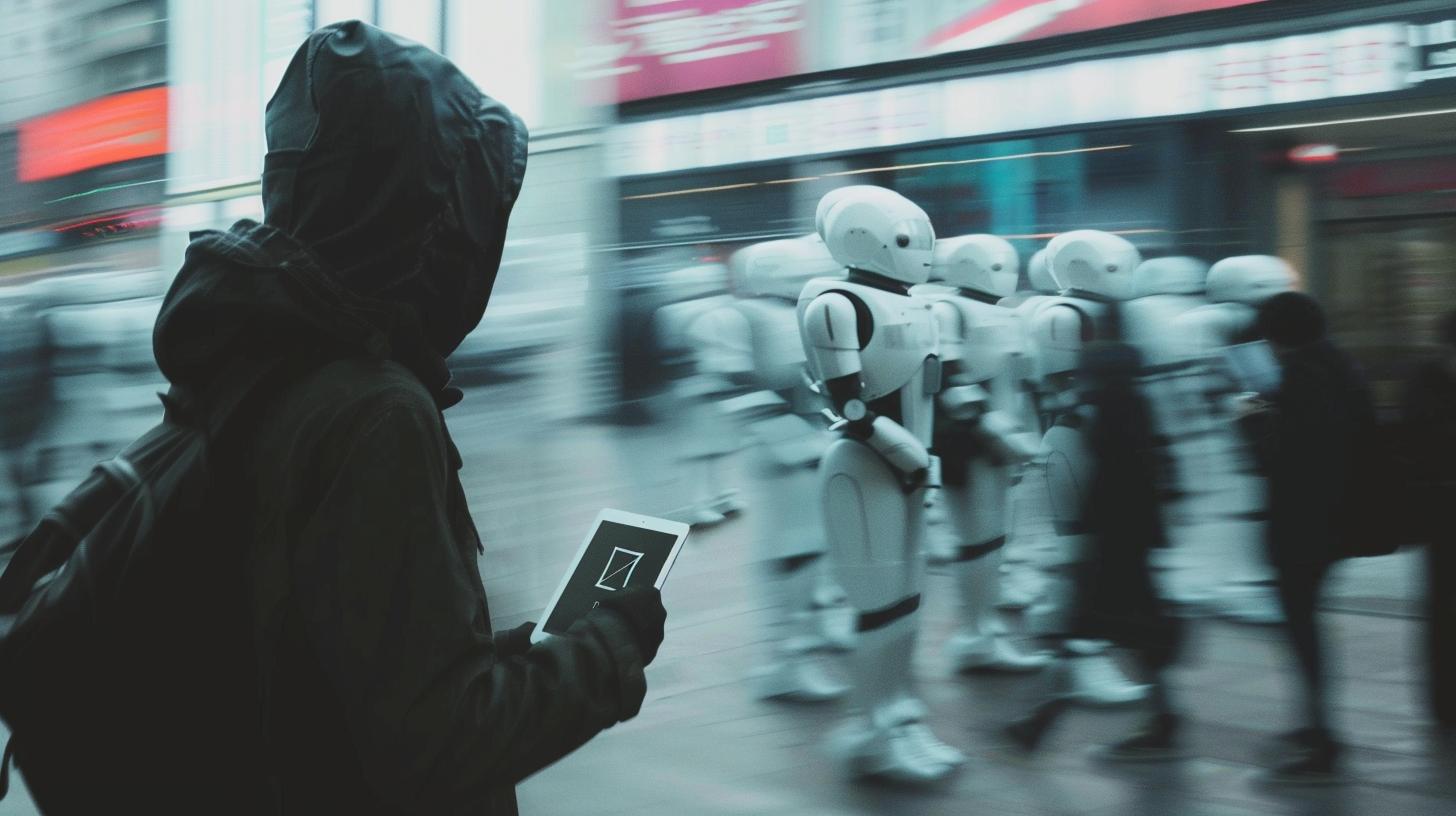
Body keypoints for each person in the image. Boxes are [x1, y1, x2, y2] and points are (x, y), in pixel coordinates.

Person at [150, 22, 665, 812]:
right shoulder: (372, 412)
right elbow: (437, 744)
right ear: (425, 218)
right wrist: (611, 647)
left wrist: (490, 655)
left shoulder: (258, 359)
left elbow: (342, 655)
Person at [1003, 339, 1185, 760]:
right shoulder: (1136, 406)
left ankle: (1039, 722)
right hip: (1132, 545)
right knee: (1131, 635)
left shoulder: (1107, 413)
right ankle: (1161, 718)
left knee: (1084, 631)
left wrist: (1084, 540)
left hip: (1111, 549)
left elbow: (1109, 484)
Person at [1253, 290, 1370, 783]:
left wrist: (1254, 423)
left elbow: (1289, 458)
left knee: (1303, 630)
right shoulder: (1338, 363)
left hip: (1304, 524)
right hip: (1333, 520)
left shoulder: (1302, 377)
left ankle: (1322, 740)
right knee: (1305, 627)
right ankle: (1315, 726)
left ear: (1278, 336)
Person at [1399, 309, 1456, 734]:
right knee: (1443, 609)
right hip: (1441, 511)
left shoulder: (1423, 376)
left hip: (1439, 508)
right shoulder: (1424, 378)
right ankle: (1444, 704)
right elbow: (1418, 440)